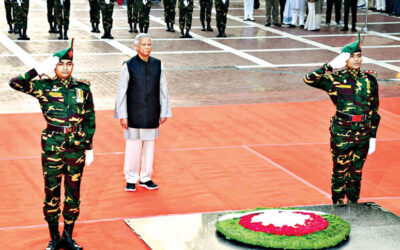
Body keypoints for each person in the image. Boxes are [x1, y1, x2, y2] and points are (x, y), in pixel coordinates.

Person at [9, 39, 95, 250]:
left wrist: (89, 146)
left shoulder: (82, 88)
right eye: (61, 64)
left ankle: (68, 236)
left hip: (76, 148)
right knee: (52, 193)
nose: (65, 68)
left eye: (69, 64)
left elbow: (90, 118)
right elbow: (14, 82)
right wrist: (37, 69)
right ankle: (54, 238)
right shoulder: (44, 86)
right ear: (54, 67)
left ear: (72, 66)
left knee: (73, 194)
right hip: (52, 148)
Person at [303, 33, 380, 205]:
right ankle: (337, 205)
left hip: (363, 132)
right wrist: (329, 66)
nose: (357, 60)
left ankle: (354, 205)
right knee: (340, 171)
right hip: (342, 132)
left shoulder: (369, 80)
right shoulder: (334, 79)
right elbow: (308, 79)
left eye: (359, 56)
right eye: (352, 57)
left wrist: (373, 136)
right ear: (344, 59)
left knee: (356, 173)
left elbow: (374, 110)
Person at [114, 33, 172, 192]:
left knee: (149, 147)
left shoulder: (158, 65)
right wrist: (123, 115)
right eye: (144, 44)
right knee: (133, 147)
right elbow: (121, 92)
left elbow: (163, 90)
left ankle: (146, 177)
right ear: (136, 46)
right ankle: (131, 178)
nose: (147, 47)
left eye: (149, 44)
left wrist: (164, 111)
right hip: (133, 112)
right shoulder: (129, 66)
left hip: (152, 111)